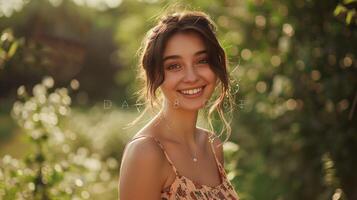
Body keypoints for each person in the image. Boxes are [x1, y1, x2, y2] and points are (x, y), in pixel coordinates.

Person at [118, 9, 239, 200]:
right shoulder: (146, 153)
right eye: (174, 66)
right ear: (155, 74)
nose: (191, 77)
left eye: (202, 60)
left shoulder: (212, 146)